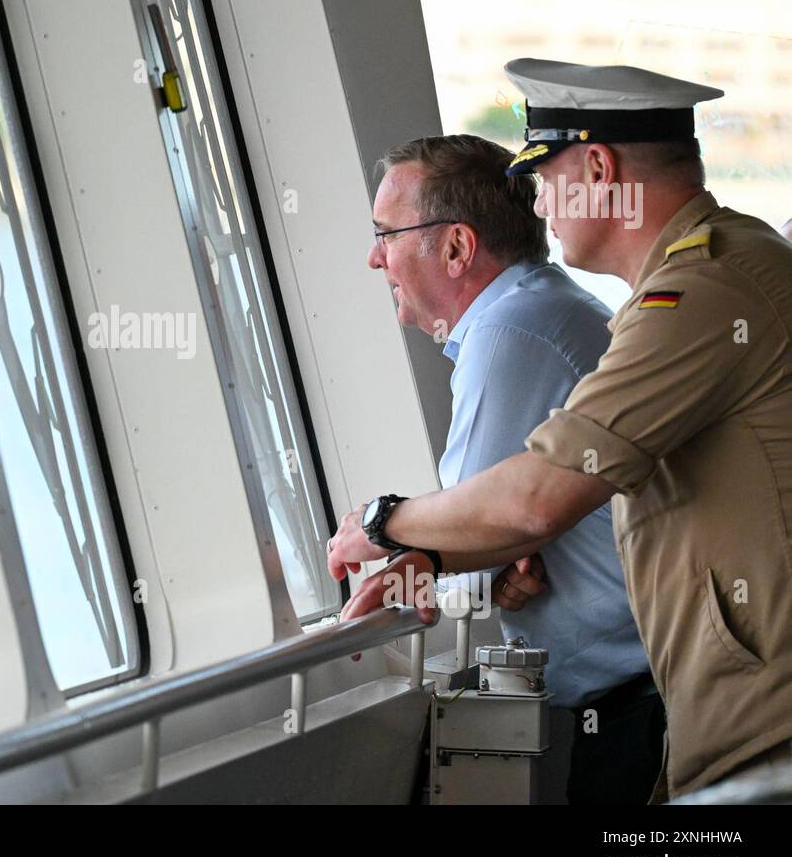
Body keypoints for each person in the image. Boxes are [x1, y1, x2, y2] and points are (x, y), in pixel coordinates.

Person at [330, 58, 792, 802]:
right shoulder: (698, 281)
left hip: (764, 721)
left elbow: (534, 500)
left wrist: (389, 525)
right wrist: (486, 552)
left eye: (544, 177)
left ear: (598, 168)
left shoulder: (704, 292)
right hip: (729, 710)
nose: (538, 205)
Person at [365, 134, 658, 802]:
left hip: (641, 714)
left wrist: (402, 539)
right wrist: (486, 571)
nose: (374, 257)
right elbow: (483, 551)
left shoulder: (510, 332)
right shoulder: (542, 307)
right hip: (637, 703)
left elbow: (473, 539)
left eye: (386, 233)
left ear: (457, 248)